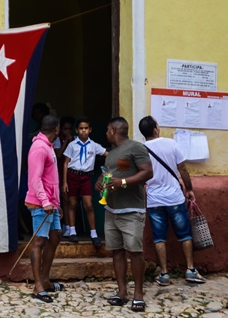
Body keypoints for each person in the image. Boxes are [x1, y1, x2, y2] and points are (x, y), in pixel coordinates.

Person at [138, 116, 206, 286]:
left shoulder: (141, 150)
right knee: (184, 234)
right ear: (155, 129)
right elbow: (182, 168)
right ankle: (190, 270)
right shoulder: (171, 144)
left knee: (159, 237)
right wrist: (189, 189)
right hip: (174, 197)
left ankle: (164, 274)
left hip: (154, 199)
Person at [95, 117, 153, 313]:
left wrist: (124, 183)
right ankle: (122, 292)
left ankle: (138, 294)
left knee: (135, 252)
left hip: (131, 210)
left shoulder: (135, 147)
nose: (105, 133)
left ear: (112, 130)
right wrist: (99, 181)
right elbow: (109, 172)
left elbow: (147, 172)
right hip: (111, 209)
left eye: (106, 130)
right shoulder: (112, 154)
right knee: (117, 251)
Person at [25, 114, 64, 303]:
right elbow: (35, 178)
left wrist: (57, 204)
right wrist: (45, 201)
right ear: (56, 129)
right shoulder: (39, 148)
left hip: (52, 203)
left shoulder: (48, 147)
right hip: (41, 203)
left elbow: (51, 180)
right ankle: (37, 285)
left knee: (55, 236)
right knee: (39, 242)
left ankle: (46, 280)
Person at [61, 116, 108, 248]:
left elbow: (107, 154)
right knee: (72, 204)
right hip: (73, 175)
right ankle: (72, 231)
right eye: (81, 129)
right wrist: (64, 182)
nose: (83, 131)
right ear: (76, 130)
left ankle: (93, 234)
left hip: (86, 177)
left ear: (90, 130)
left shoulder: (94, 145)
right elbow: (66, 163)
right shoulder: (72, 145)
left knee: (88, 205)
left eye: (86, 128)